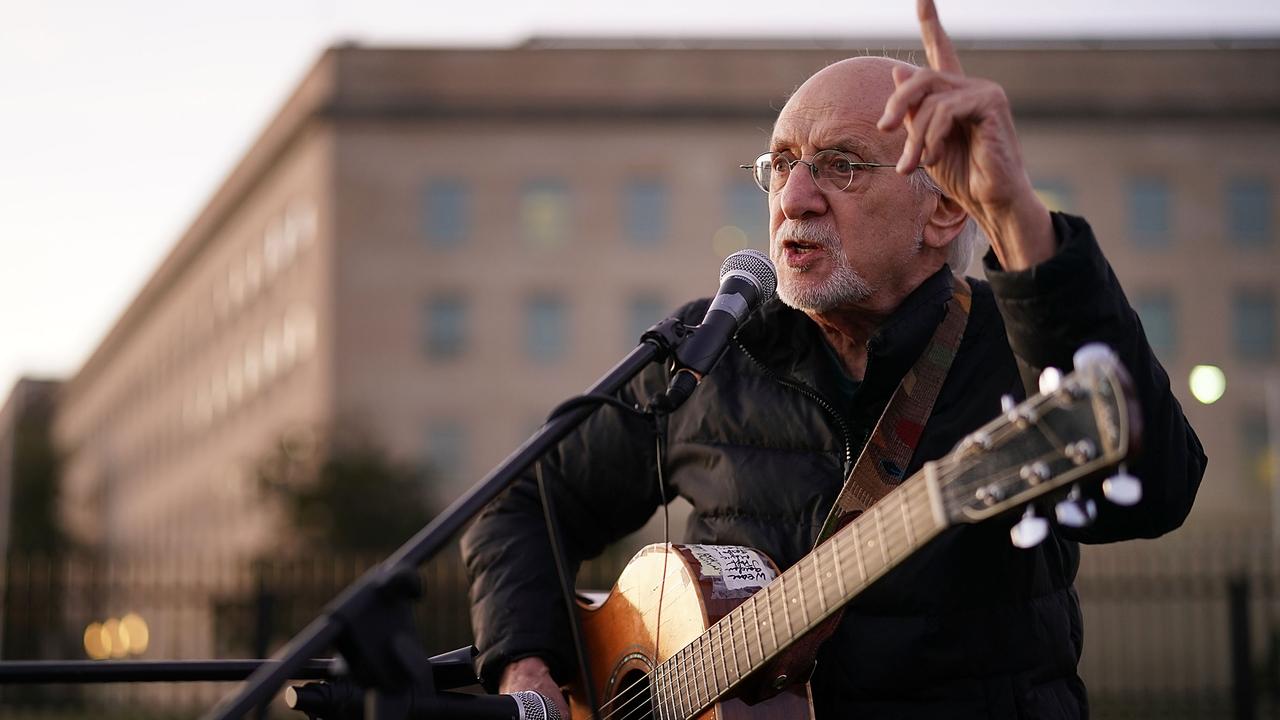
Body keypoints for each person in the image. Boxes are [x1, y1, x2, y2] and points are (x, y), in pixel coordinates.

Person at [461, 2, 1206, 718]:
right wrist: (526, 663)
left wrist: (1014, 211)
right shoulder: (710, 348)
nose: (796, 197)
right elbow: (521, 502)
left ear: (943, 209)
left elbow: (1158, 488)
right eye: (781, 165)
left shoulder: (1022, 344)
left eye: (842, 166)